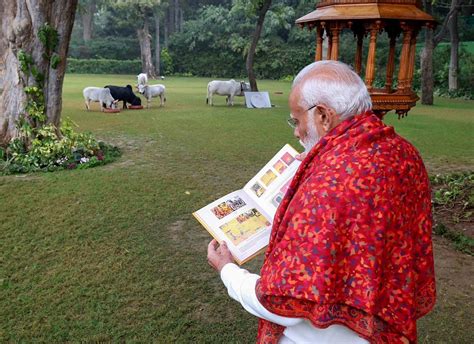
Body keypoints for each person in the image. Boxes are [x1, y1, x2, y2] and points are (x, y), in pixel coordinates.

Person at [207, 60, 436, 344]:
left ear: (324, 116)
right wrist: (318, 162)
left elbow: (282, 303)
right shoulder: (403, 153)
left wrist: (227, 271)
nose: (295, 131)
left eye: (297, 120)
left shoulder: (329, 184)